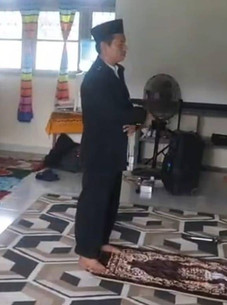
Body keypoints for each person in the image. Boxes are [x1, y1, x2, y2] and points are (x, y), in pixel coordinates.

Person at [75, 19, 146, 273]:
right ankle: (85, 252)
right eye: (119, 44)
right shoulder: (95, 79)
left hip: (114, 147)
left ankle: (101, 242)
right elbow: (114, 113)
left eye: (124, 43)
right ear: (104, 47)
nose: (124, 48)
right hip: (98, 149)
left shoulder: (116, 72)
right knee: (93, 200)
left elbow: (124, 108)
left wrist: (135, 122)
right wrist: (141, 115)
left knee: (110, 198)